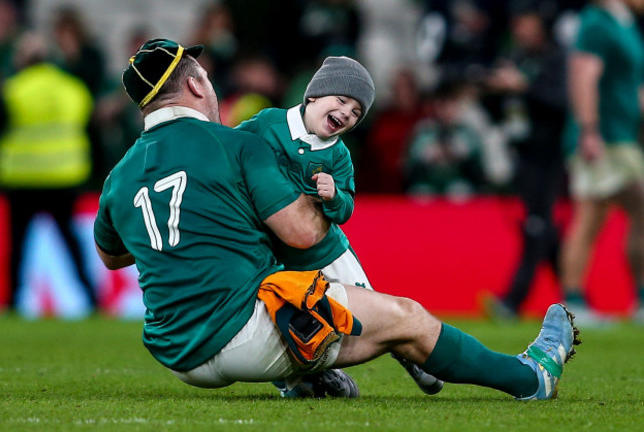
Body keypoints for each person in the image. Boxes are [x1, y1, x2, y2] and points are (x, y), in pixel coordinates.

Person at [94, 38, 580, 402]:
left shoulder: (119, 177)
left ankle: (305, 380)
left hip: (175, 352)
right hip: (243, 334)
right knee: (405, 318)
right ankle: (531, 377)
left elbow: (112, 255)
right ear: (197, 84)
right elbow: (303, 232)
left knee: (275, 277)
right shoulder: (238, 144)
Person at [235, 56, 443, 396]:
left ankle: (408, 352)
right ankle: (304, 381)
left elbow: (346, 207)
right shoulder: (268, 123)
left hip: (329, 252)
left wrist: (333, 197)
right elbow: (230, 147)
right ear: (313, 96)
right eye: (342, 101)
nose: (347, 113)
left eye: (356, 112)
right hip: (280, 254)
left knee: (373, 309)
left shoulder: (339, 155)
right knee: (290, 321)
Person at [0, 31, 96, 313]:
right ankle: (92, 298)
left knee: (16, 248)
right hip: (65, 177)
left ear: (24, 59)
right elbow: (90, 130)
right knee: (71, 245)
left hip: (23, 179)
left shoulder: (13, 89)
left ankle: (12, 302)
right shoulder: (74, 89)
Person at [483, 1, 567, 320]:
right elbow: (497, 109)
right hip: (521, 152)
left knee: (536, 226)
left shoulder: (557, 58)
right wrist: (493, 90)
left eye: (527, 24)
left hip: (550, 155)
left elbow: (561, 103)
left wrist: (524, 87)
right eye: (517, 24)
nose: (520, 30)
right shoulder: (516, 57)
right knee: (542, 227)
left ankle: (512, 301)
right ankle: (575, 295)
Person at [561, 0, 644, 324]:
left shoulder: (624, 24)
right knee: (593, 215)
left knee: (595, 215)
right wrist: (589, 129)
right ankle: (575, 301)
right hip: (605, 137)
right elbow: (583, 75)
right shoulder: (597, 22)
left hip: (622, 136)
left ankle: (578, 300)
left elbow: (631, 85)